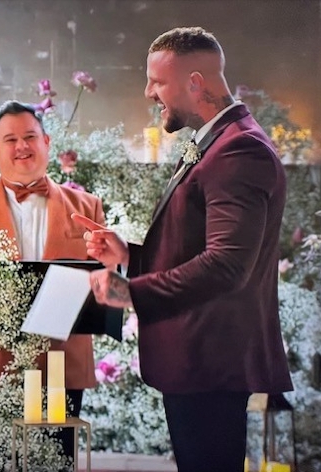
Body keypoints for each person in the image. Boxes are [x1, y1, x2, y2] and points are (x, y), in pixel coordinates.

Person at [73, 26, 293, 472]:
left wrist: (130, 292)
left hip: (211, 358)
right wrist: (128, 254)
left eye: (157, 81)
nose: (148, 92)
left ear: (195, 82)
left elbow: (228, 264)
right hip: (201, 359)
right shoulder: (219, 140)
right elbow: (197, 246)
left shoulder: (238, 151)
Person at [0, 100, 105, 472]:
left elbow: (104, 277)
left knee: (53, 466)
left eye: (30, 136)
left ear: (46, 142)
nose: (21, 146)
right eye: (10, 139)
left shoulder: (88, 206)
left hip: (59, 366)